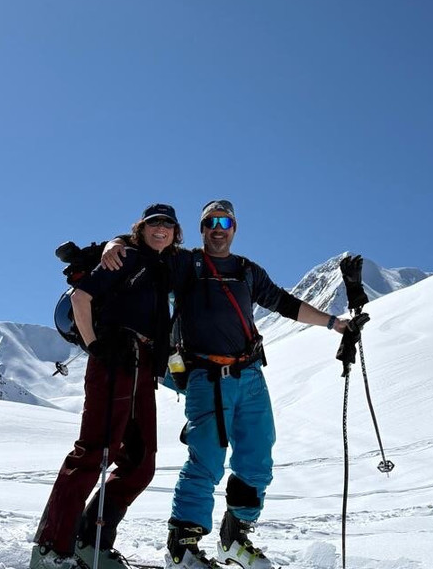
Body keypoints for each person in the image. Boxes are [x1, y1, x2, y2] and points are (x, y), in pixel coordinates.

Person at [102, 200, 357, 569]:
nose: (217, 228)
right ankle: (182, 546)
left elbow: (284, 303)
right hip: (206, 377)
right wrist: (115, 243)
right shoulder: (185, 264)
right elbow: (146, 252)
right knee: (205, 461)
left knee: (257, 459)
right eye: (209, 222)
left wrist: (334, 323)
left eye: (224, 222)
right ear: (202, 229)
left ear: (234, 227)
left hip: (251, 376)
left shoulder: (247, 271)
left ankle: (234, 538)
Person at [31, 203, 182, 569]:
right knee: (93, 453)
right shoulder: (125, 256)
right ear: (140, 229)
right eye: (153, 223)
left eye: (168, 224)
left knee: (140, 463)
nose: (160, 229)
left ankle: (89, 541)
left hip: (144, 368)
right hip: (114, 360)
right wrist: (97, 346)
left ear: (176, 233)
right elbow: (82, 297)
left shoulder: (167, 266)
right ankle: (51, 548)